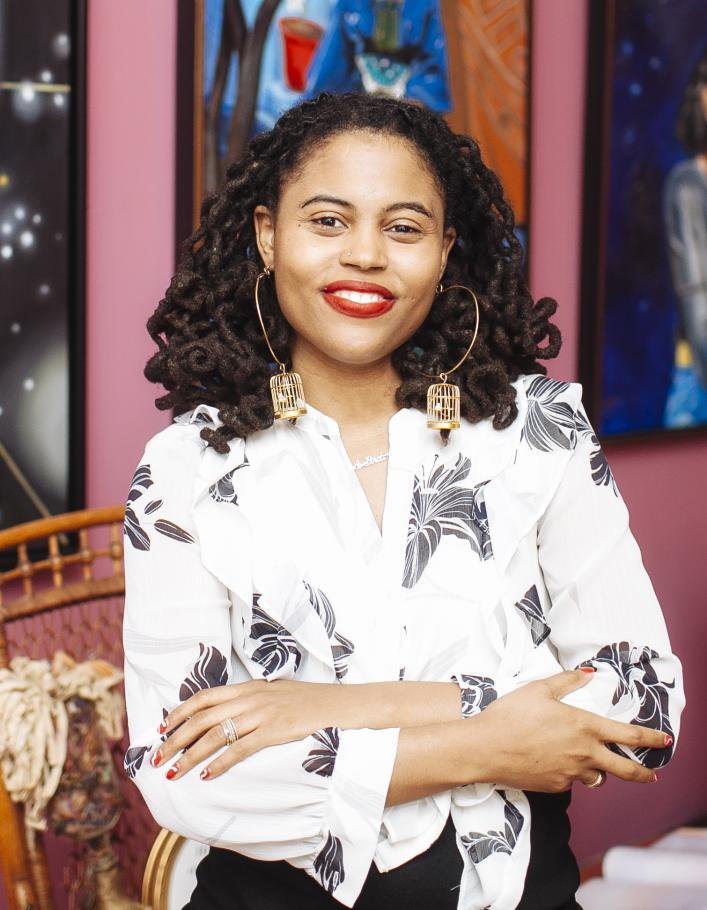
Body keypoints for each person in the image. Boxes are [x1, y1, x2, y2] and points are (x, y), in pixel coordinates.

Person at [122, 91, 684, 910]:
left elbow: (642, 701)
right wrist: (498, 739)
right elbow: (184, 778)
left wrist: (335, 708)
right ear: (267, 236)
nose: (365, 256)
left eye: (404, 227)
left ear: (444, 251)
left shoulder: (536, 433)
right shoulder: (185, 471)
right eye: (326, 221)